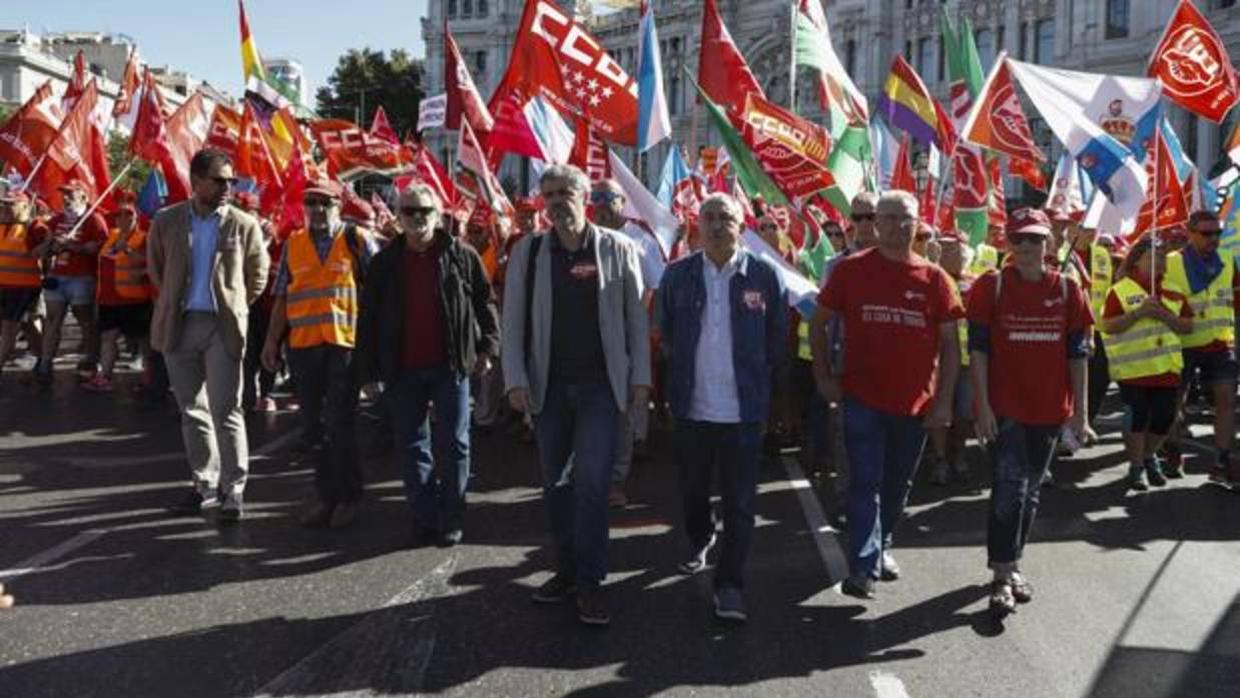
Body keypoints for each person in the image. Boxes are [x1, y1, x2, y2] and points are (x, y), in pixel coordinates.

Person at [501, 164, 650, 626]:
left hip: (601, 390)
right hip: (549, 388)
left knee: (590, 484)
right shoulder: (530, 252)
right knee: (556, 486)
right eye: (548, 194)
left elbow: (635, 323)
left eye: (565, 191)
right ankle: (565, 570)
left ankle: (590, 580)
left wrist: (640, 379)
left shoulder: (618, 248)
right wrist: (515, 380)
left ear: (585, 196)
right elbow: (513, 321)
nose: (556, 201)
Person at [810, 190, 963, 599]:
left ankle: (883, 543)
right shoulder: (850, 270)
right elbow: (818, 324)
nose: (897, 227)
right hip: (861, 397)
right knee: (865, 481)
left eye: (905, 219)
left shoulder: (935, 278)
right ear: (875, 224)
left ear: (917, 226)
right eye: (889, 218)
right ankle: (862, 568)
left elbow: (952, 346)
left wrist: (945, 400)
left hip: (913, 404)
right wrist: (823, 375)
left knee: (896, 485)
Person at [657, 193, 788, 623]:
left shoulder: (765, 275)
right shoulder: (677, 276)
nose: (716, 225)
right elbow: (667, 334)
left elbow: (776, 339)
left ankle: (730, 584)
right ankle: (699, 537)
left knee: (741, 503)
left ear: (741, 225)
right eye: (708, 217)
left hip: (743, 414)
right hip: (692, 409)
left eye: (725, 217)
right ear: (697, 224)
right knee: (694, 491)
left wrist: (756, 382)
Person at [355, 183, 499, 546]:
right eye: (410, 212)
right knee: (412, 444)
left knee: (454, 444)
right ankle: (424, 515)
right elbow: (368, 317)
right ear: (399, 217)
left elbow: (486, 302)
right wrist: (367, 371)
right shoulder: (385, 263)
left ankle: (451, 515)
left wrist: (487, 348)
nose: (418, 218)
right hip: (402, 370)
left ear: (438, 216)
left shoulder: (461, 254)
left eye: (425, 211)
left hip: (451, 366)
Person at [965, 208, 1092, 616]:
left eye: (1035, 239)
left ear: (1048, 244)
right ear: (1008, 244)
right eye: (1019, 239)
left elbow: (1077, 355)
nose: (1026, 247)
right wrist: (982, 406)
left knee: (1031, 491)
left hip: (1050, 410)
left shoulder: (1070, 290)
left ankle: (1012, 564)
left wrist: (1081, 414)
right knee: (1009, 489)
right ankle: (1002, 575)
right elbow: (979, 351)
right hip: (1006, 409)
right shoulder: (992, 286)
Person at [148, 149, 269, 522]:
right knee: (192, 410)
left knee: (226, 410)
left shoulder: (243, 223)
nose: (227, 187)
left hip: (222, 327)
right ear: (196, 181)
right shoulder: (167, 221)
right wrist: (172, 301)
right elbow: (155, 268)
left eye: (231, 181)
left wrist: (234, 305)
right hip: (179, 324)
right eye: (219, 180)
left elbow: (257, 276)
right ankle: (204, 483)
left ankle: (233, 491)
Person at [262, 178, 375, 529]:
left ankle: (351, 496)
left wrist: (376, 348)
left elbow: (380, 291)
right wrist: (270, 341)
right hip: (305, 348)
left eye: (324, 203)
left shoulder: (357, 241)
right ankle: (327, 496)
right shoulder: (293, 245)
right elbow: (282, 296)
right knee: (314, 427)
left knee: (339, 424)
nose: (317, 210)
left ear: (338, 206)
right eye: (311, 203)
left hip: (344, 346)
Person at [1101, 235, 1194, 491]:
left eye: (1164, 255)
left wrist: (1164, 315)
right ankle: (1136, 467)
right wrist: (1138, 313)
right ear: (1138, 258)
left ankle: (1149, 455)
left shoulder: (1174, 288)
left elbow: (1188, 325)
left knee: (1165, 419)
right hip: (1133, 370)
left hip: (1167, 368)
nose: (1161, 260)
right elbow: (1108, 325)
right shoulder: (1120, 289)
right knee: (1136, 418)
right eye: (1155, 255)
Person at [590, 178, 662, 508]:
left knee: (622, 409)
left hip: (627, 337)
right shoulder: (585, 237)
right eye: (596, 198)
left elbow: (657, 286)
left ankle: (616, 479)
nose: (601, 203)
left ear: (623, 201)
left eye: (608, 197)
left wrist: (654, 333)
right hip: (588, 337)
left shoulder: (640, 240)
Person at [1162, 211, 1240, 486]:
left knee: (1226, 400)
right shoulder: (1170, 262)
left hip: (1220, 342)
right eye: (1207, 234)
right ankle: (1172, 450)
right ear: (1190, 233)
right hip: (1182, 343)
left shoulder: (1228, 260)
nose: (1214, 239)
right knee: (1175, 403)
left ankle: (1222, 460)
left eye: (1217, 233)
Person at [32, 181, 107, 384]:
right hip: (57, 277)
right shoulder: (56, 220)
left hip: (82, 278)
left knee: (86, 322)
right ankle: (46, 364)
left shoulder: (93, 219)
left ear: (83, 196)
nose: (66, 198)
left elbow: (99, 248)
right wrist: (51, 246)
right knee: (52, 322)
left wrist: (74, 246)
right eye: (64, 194)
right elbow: (46, 247)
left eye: (70, 194)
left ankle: (91, 361)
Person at [86, 194, 153, 393]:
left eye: (128, 215)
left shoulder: (143, 237)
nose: (123, 219)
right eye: (119, 215)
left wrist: (130, 252)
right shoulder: (112, 236)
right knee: (108, 337)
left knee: (142, 340)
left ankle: (150, 376)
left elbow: (153, 263)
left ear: (136, 218)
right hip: (108, 298)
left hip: (133, 299)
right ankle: (105, 376)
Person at [927, 228, 975, 485]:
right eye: (943, 248)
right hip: (937, 361)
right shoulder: (931, 277)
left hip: (967, 362)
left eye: (953, 248)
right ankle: (940, 458)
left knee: (965, 413)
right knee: (938, 412)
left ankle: (960, 452)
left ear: (965, 253)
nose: (947, 253)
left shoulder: (976, 282)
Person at [0, 190, 45, 388]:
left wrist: (44, 247)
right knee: (28, 326)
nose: (5, 208)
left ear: (25, 207)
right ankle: (44, 361)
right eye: (4, 204)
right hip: (4, 286)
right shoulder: (4, 226)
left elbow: (48, 246)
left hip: (23, 288)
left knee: (9, 328)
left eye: (11, 204)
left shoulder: (34, 227)